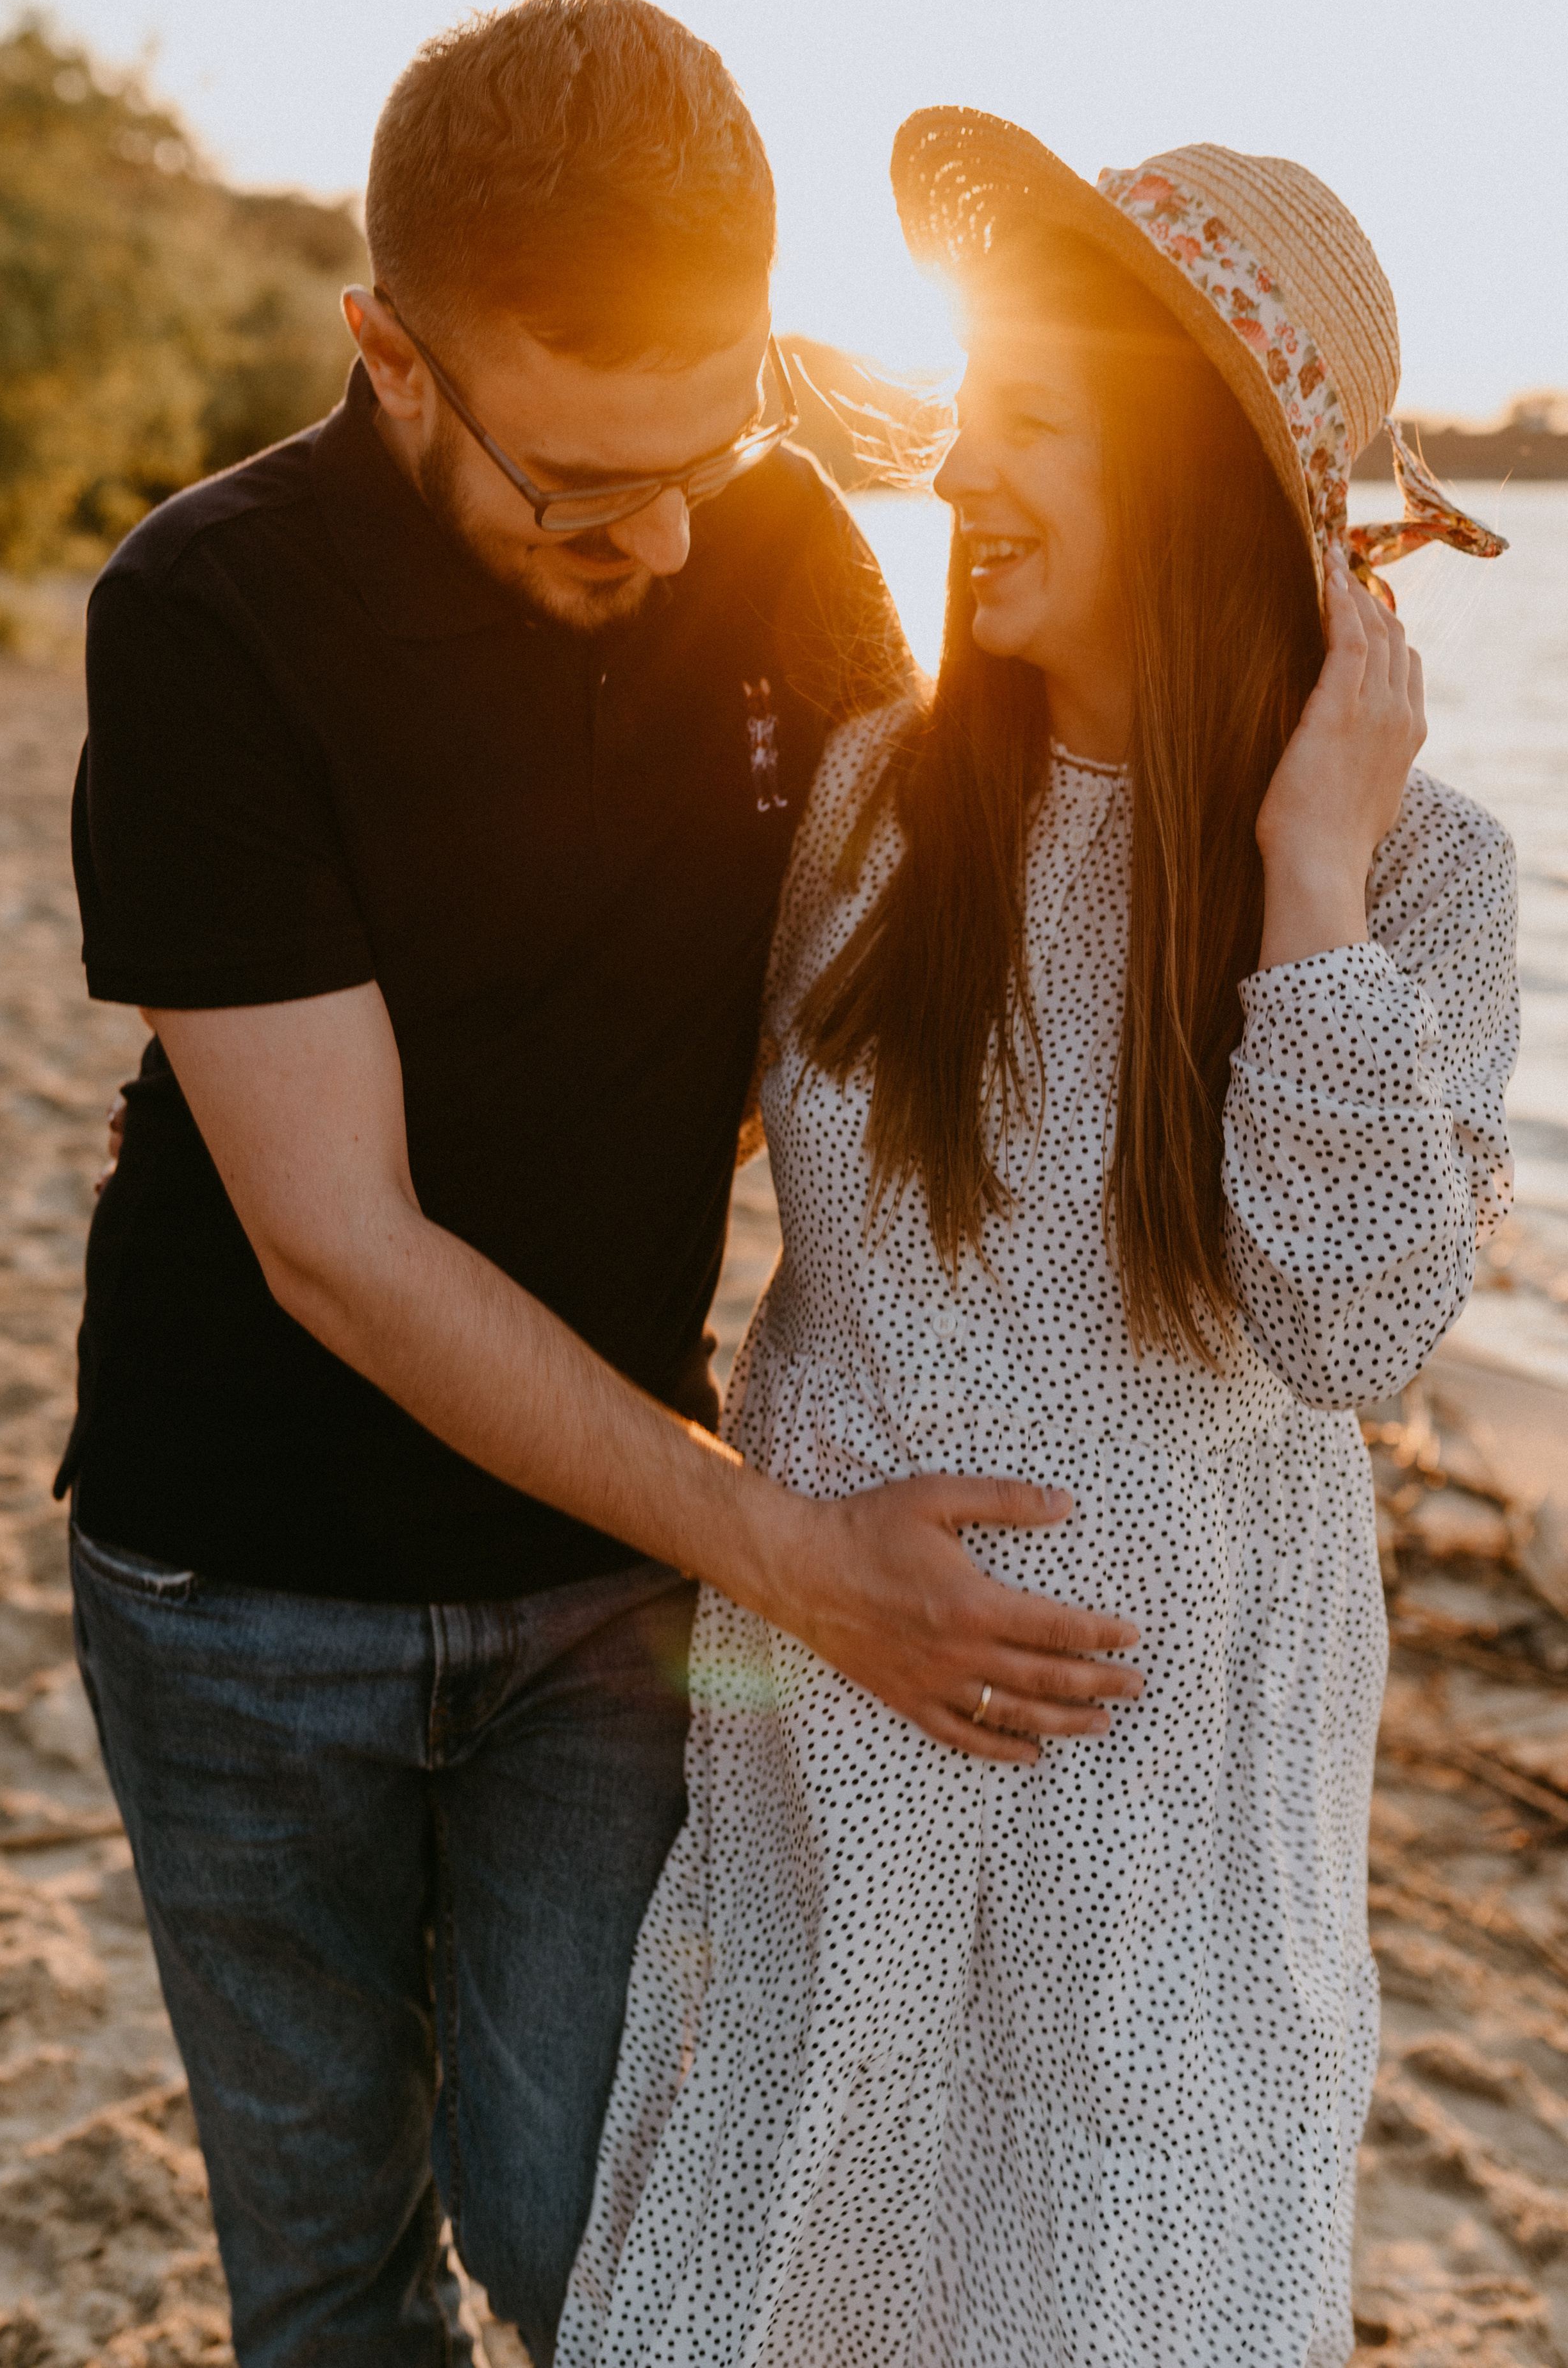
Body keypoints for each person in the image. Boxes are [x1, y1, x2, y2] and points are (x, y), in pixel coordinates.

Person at [60, 10, 1142, 2368]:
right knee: (327, 2258)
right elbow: (337, 1245)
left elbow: (931, 980)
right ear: (391, 357)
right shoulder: (207, 617)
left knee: (602, 2232)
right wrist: (797, 1556)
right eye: (578, 488)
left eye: (716, 440)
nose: (662, 537)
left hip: (598, 1583)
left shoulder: (768, 551)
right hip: (235, 1588)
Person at [559, 117, 1517, 2367]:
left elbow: (1361, 1324)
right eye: (972, 409)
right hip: (833, 1745)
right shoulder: (883, 801)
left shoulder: (1425, 877)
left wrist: (1305, 885)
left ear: (1195, 485)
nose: (966, 466)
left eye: (1039, 428)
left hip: (1175, 1816)